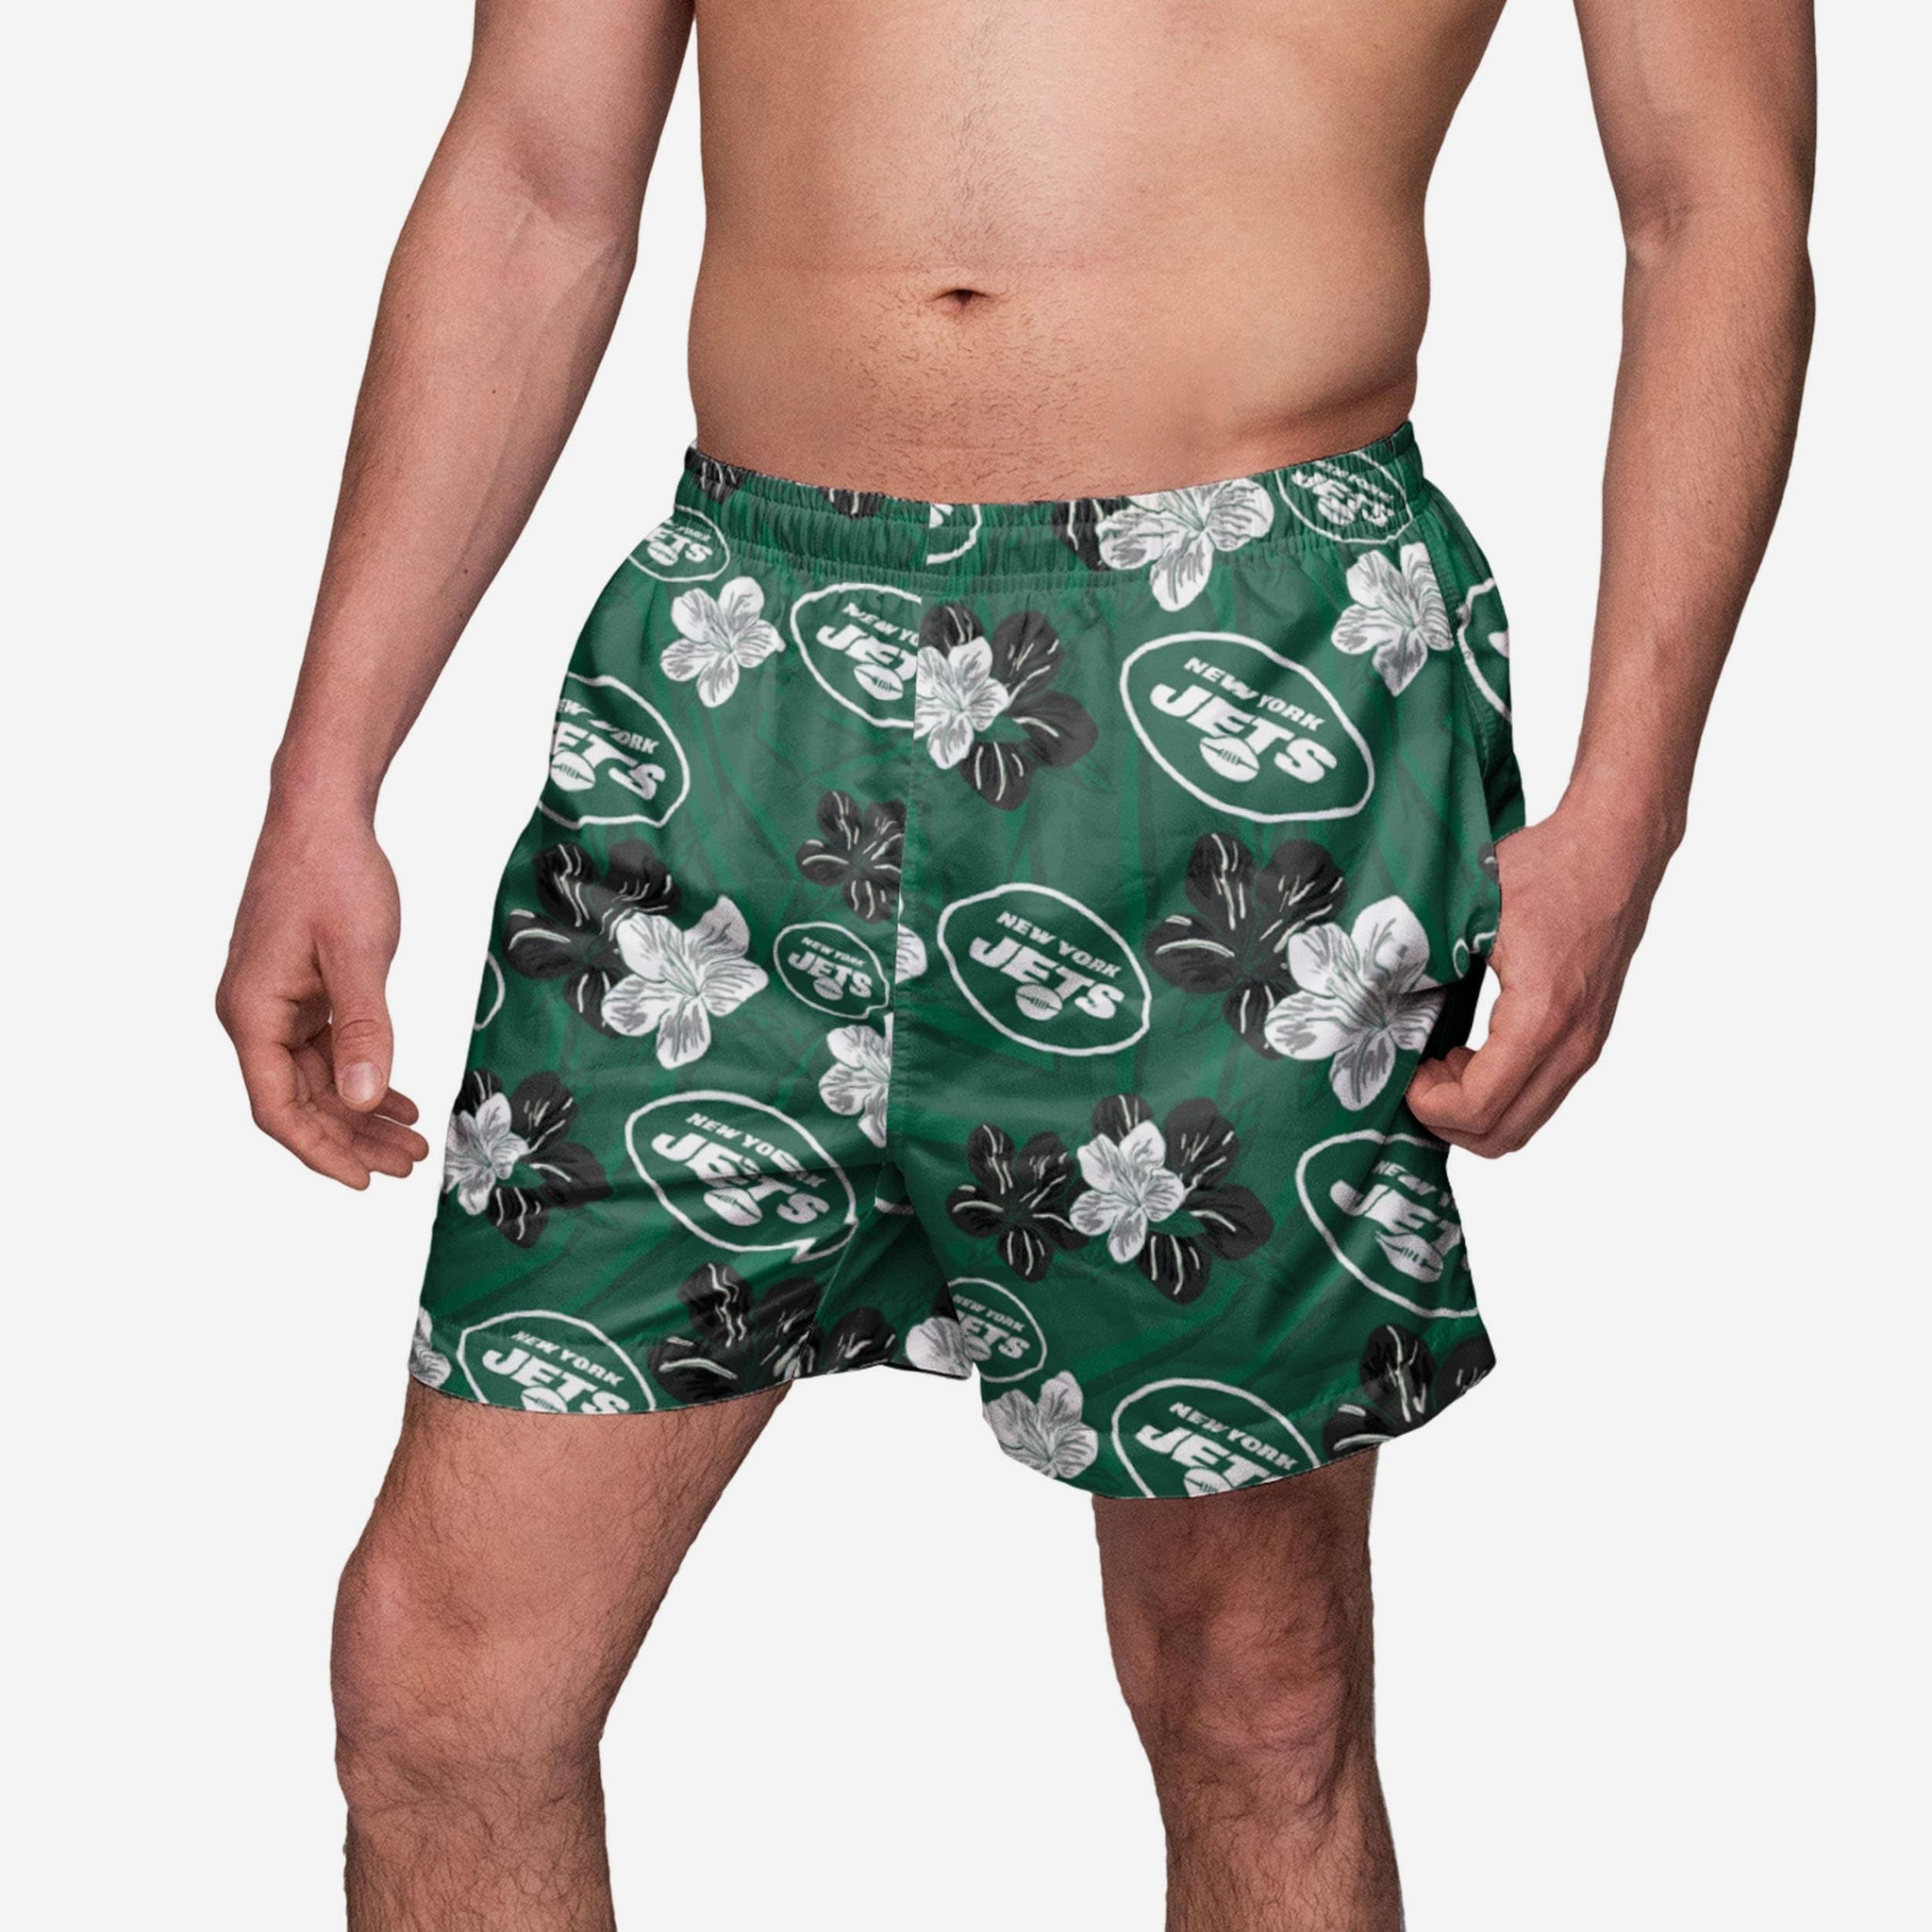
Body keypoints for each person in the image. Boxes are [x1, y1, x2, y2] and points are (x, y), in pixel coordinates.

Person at [217, 0, 1815, 1923]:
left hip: (1235, 674)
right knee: (440, 1684)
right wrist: (327, 775)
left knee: (1251, 1689)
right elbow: (536, 185)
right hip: (734, 677)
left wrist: (1632, 803)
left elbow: (1711, 203)